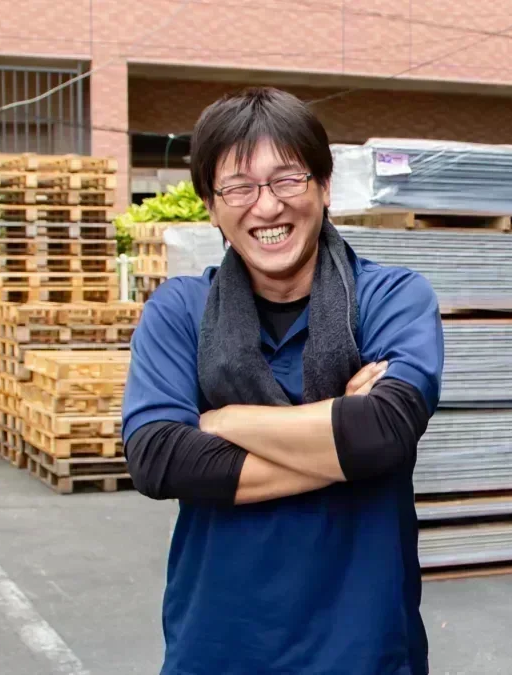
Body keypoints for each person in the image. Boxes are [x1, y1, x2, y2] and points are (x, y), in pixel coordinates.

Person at [121, 87, 443, 675]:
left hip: (363, 649)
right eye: (239, 187)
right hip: (217, 650)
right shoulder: (181, 311)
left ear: (324, 187)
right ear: (211, 206)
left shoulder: (390, 298)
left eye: (287, 180)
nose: (266, 207)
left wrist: (225, 420)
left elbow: (384, 431)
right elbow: (159, 459)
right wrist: (340, 437)